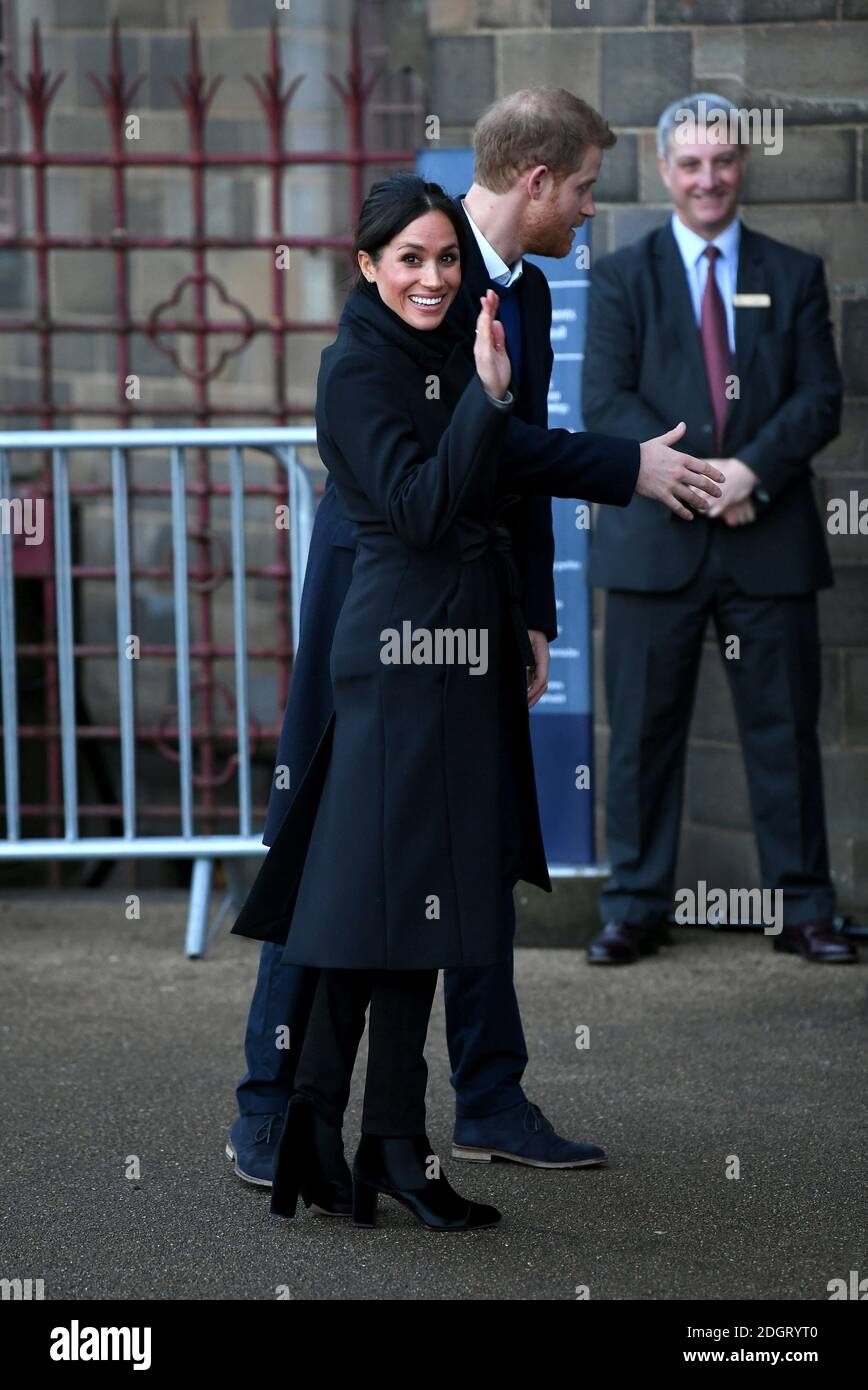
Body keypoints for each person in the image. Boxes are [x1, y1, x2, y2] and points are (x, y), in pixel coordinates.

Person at [227, 89, 725, 1198]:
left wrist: (533, 611)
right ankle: (268, 1108)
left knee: (477, 843)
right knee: (329, 854)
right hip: (381, 607)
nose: (591, 208)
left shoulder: (528, 293)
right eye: (588, 185)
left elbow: (516, 459)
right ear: (539, 180)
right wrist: (626, 467)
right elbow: (459, 465)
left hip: (479, 607)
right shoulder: (409, 296)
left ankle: (488, 1097)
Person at [582, 92, 857, 967]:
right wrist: (710, 481)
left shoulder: (795, 271)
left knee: (783, 735)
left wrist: (754, 475)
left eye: (724, 161)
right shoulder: (623, 276)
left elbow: (820, 399)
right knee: (641, 739)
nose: (709, 177)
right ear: (664, 171)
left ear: (744, 166)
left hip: (767, 540)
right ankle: (633, 908)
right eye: (691, 163)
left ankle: (804, 910)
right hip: (656, 541)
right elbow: (606, 404)